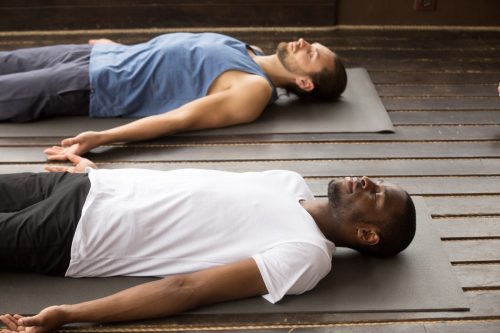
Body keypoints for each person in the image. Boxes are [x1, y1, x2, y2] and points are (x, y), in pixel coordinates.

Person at [0, 153, 415, 333]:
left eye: (375, 194)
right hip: (87, 185)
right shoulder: (290, 181)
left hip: (77, 232)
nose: (366, 180)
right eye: (376, 182)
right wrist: (107, 174)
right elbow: (188, 187)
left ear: (366, 234)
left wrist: (69, 314)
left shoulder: (307, 254)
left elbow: (188, 289)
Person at [0, 32, 347, 160]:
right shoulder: (250, 50)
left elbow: (178, 119)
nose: (303, 43)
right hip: (96, 57)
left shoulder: (252, 88)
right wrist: (122, 48)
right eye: (312, 45)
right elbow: (175, 59)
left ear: (305, 83)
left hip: (94, 83)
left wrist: (102, 138)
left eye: (312, 54)